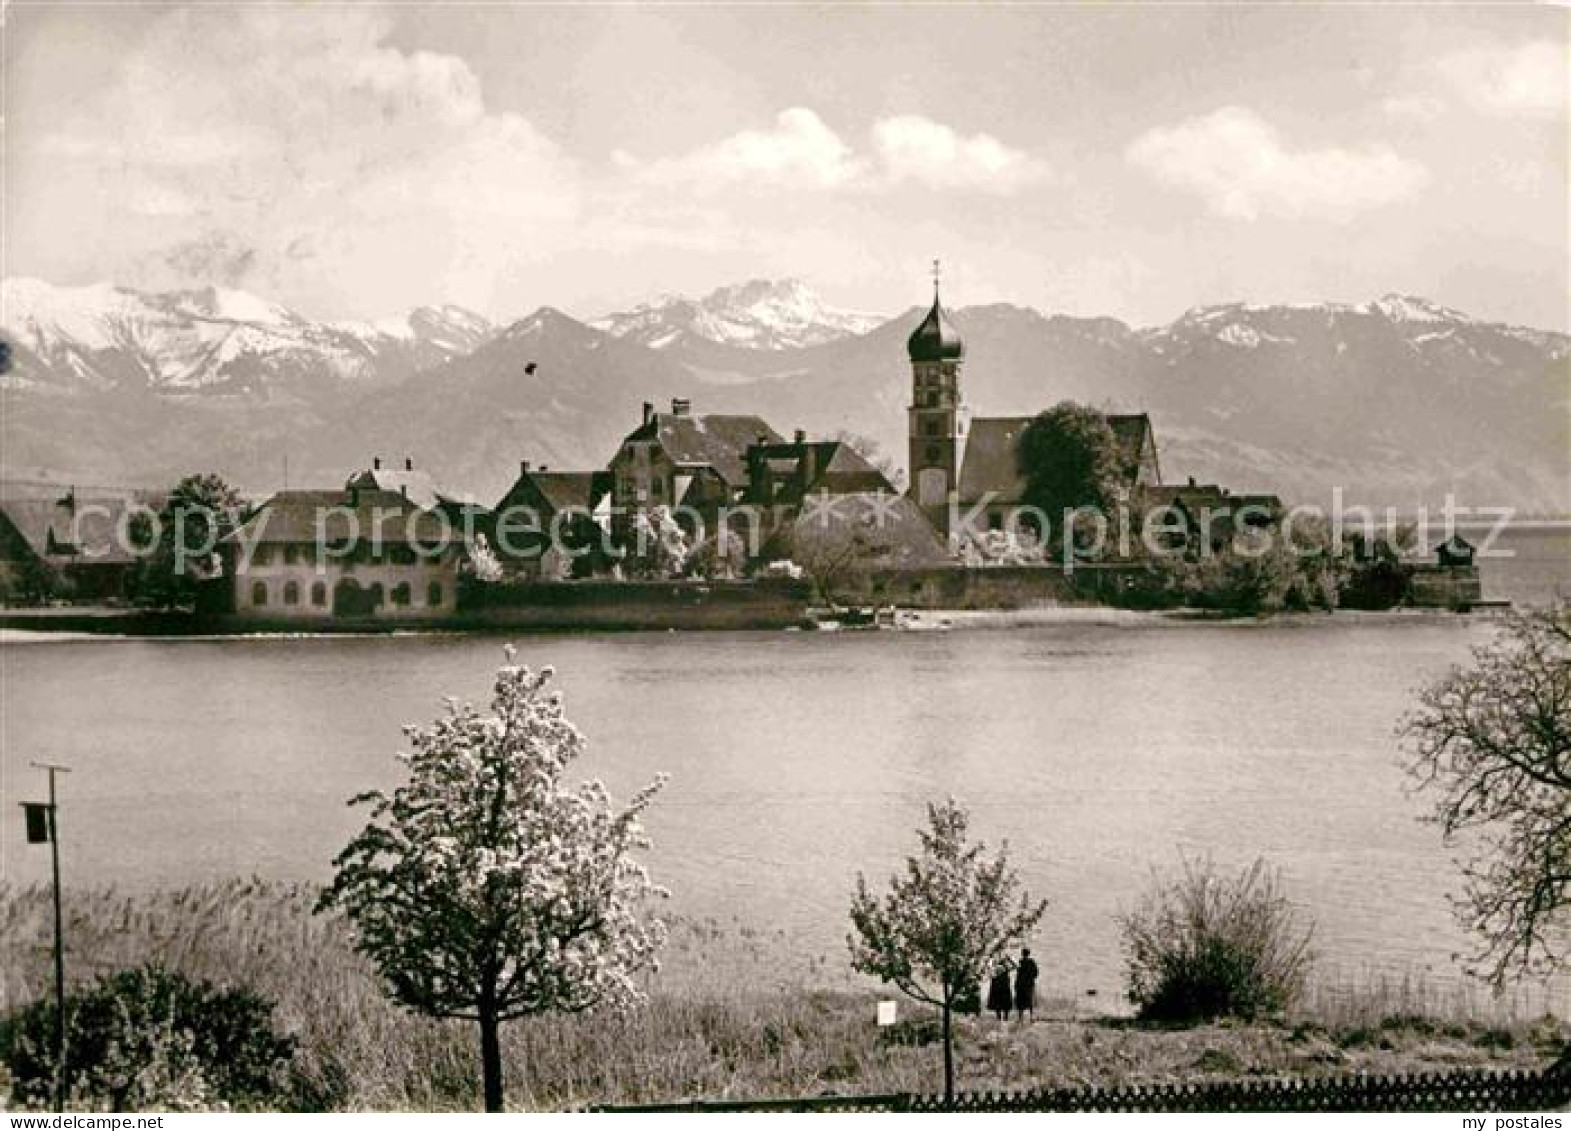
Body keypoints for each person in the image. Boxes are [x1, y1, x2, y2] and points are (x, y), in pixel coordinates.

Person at [1013, 946, 1039, 1022]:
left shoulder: (1020, 962)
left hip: (1021, 984)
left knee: (1021, 1001)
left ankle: (1021, 1018)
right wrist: (1030, 978)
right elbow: (1036, 973)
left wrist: (1016, 983)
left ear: (1022, 953)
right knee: (1029, 1000)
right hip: (1028, 984)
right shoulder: (1031, 962)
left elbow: (1018, 974)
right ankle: (1031, 1017)